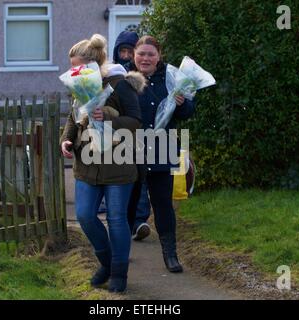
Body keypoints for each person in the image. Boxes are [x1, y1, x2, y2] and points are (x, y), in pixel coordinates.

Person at [60, 34, 146, 292]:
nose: (76, 71)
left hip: (118, 163)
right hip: (86, 164)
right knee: (85, 216)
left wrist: (107, 119)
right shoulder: (79, 85)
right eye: (73, 67)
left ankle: (120, 273)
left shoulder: (120, 85)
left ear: (95, 63)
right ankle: (107, 263)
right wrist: (66, 139)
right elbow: (72, 118)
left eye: (80, 67)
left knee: (117, 219)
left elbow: (135, 121)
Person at [127, 35, 195, 273]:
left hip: (161, 147)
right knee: (127, 205)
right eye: (141, 53)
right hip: (128, 150)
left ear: (159, 56)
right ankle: (121, 255)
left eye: (150, 54)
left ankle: (170, 255)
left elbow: (187, 113)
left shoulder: (171, 78)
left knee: (163, 204)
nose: (145, 58)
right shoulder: (123, 77)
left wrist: (181, 103)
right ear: (134, 54)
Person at [98, 31, 152, 242]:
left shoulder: (138, 76)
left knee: (141, 180)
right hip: (119, 139)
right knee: (127, 181)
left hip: (143, 134)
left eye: (131, 51)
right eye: (123, 50)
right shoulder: (114, 76)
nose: (127, 55)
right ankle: (126, 224)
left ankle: (139, 221)